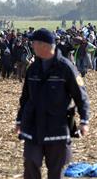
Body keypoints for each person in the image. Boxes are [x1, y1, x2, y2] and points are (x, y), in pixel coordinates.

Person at [15, 29, 90, 179]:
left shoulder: (66, 68)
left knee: (56, 172)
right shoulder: (33, 69)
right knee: (30, 163)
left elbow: (81, 96)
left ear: (44, 45)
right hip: (33, 125)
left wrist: (84, 120)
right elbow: (25, 98)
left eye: (34, 43)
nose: (32, 46)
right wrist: (19, 120)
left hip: (57, 126)